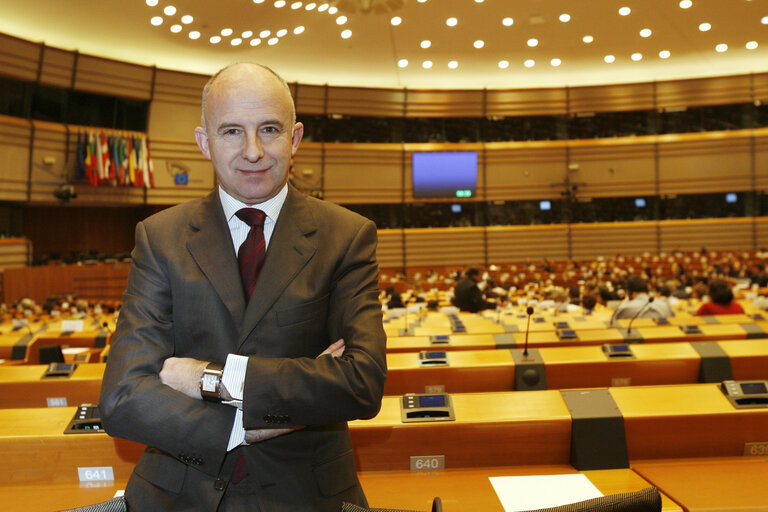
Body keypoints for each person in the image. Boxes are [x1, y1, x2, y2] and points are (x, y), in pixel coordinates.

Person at [99, 63, 387, 512]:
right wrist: (248, 427)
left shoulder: (346, 236)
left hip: (308, 493)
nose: (253, 151)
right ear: (204, 143)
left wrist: (213, 380)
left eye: (269, 129)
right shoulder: (159, 237)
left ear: (294, 139)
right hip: (177, 491)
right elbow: (123, 397)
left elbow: (361, 382)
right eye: (232, 131)